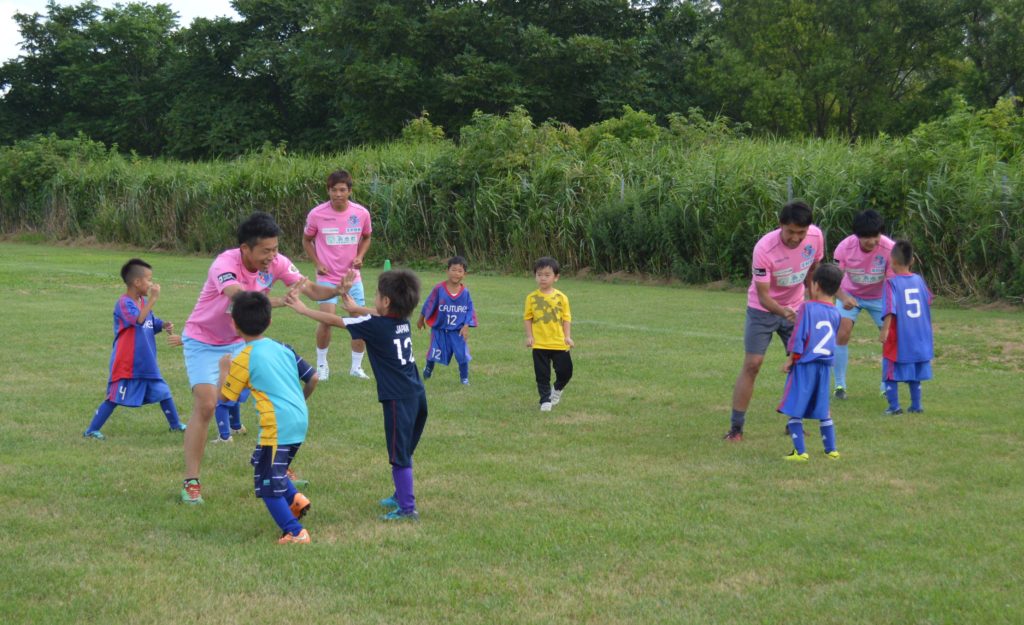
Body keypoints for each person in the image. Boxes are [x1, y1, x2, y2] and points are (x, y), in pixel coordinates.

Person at [179, 212, 338, 505]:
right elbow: (238, 297)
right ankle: (191, 481)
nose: (272, 256)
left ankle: (280, 469)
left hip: (241, 340)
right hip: (203, 341)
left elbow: (311, 289)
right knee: (207, 405)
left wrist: (338, 289)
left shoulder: (277, 262)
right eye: (266, 251)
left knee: (278, 397)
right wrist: (279, 301)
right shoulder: (224, 264)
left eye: (275, 249)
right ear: (245, 248)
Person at [286, 268, 427, 522]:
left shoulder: (374, 326)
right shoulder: (402, 321)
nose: (374, 299)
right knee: (405, 449)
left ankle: (407, 509)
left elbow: (334, 320)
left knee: (399, 455)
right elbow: (376, 314)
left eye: (377, 295)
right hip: (417, 395)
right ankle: (400, 494)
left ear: (386, 301)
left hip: (397, 399)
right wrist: (356, 307)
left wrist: (303, 309)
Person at [218, 291, 317, 544]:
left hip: (277, 425)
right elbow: (313, 377)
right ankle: (295, 499)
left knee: (267, 484)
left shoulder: (243, 358)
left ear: (235, 325)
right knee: (267, 464)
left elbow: (225, 397)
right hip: (299, 420)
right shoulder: (283, 348)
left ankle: (295, 532)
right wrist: (298, 402)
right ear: (269, 321)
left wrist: (224, 370)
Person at [725, 200, 825, 441]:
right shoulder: (764, 249)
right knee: (753, 364)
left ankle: (794, 424)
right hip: (763, 310)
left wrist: (813, 304)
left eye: (801, 232)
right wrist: (785, 312)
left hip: (797, 306)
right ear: (780, 225)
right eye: (790, 231)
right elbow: (763, 296)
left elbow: (813, 270)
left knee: (802, 365)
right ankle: (736, 429)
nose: (795, 238)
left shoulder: (815, 237)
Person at [83, 258, 186, 439]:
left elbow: (149, 322)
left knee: (164, 392)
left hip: (146, 362)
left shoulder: (142, 302)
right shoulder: (124, 303)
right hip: (128, 364)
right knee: (114, 397)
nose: (152, 284)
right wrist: (153, 299)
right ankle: (91, 430)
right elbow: (138, 320)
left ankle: (175, 425)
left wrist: (163, 325)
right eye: (149, 279)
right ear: (137, 282)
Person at [302, 169, 373, 382]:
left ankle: (356, 367)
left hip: (352, 278)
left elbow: (367, 237)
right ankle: (322, 365)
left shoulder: (361, 213)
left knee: (360, 320)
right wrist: (317, 263)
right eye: (334, 190)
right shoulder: (317, 214)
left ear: (350, 191)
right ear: (328, 191)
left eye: (342, 190)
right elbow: (306, 240)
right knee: (327, 319)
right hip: (327, 278)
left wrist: (360, 256)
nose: (338, 194)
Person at [777, 263, 844, 461]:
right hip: (824, 367)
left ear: (816, 285)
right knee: (824, 409)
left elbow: (799, 336)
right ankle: (831, 450)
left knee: (795, 407)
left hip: (805, 365)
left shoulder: (806, 307)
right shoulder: (836, 313)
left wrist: (791, 359)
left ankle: (800, 452)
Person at [832, 209, 895, 399]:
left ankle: (886, 385)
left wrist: (888, 322)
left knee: (890, 337)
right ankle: (840, 386)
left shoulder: (890, 249)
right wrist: (843, 298)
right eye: (867, 237)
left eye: (876, 236)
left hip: (880, 297)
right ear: (857, 235)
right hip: (850, 294)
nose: (872, 241)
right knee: (842, 332)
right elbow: (833, 280)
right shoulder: (844, 247)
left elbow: (893, 286)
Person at [880, 240, 934, 415]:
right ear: (912, 261)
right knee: (915, 372)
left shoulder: (891, 283)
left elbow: (890, 309)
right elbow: (928, 300)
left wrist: (884, 330)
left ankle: (894, 407)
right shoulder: (919, 280)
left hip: (899, 336)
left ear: (892, 261)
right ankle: (916, 405)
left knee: (890, 372)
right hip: (919, 334)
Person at [417, 256, 477, 385]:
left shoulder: (465, 293)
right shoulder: (439, 289)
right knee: (434, 352)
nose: (456, 273)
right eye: (453, 270)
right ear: (447, 271)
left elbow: (469, 310)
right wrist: (421, 318)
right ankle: (428, 368)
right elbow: (429, 303)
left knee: (462, 355)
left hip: (457, 331)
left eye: (460, 271)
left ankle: (464, 378)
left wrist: (466, 325)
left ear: (464, 274)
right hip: (439, 330)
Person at [524, 257, 573, 412]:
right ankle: (545, 400)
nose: (542, 278)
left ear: (556, 277)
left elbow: (566, 318)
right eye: (539, 275)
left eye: (547, 275)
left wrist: (567, 337)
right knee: (542, 374)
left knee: (566, 372)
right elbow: (528, 318)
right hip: (540, 344)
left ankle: (556, 390)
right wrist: (530, 336)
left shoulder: (562, 298)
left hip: (559, 343)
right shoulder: (531, 298)